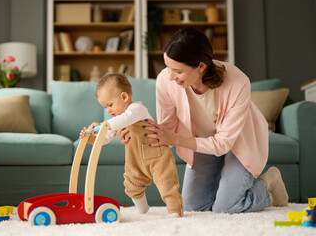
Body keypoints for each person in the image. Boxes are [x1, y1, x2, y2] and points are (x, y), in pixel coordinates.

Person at [118, 27, 289, 213]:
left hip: (238, 144)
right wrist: (136, 132)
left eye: (177, 71)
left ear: (200, 66)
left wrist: (175, 139)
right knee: (193, 207)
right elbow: (166, 129)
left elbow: (223, 143)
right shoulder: (165, 81)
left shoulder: (238, 82)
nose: (170, 76)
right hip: (201, 142)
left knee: (225, 208)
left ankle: (269, 183)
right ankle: (225, 190)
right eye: (168, 67)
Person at [79, 73, 183, 217]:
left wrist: (102, 125)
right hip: (135, 160)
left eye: (110, 105)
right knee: (131, 185)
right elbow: (105, 138)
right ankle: (143, 210)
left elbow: (124, 120)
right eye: (105, 107)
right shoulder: (115, 121)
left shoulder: (137, 109)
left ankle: (175, 211)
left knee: (167, 184)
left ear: (124, 97)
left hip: (157, 156)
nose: (108, 111)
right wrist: (92, 138)